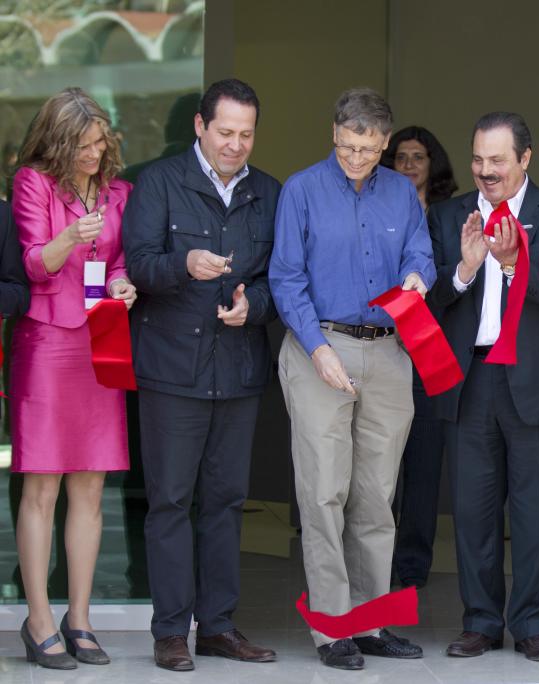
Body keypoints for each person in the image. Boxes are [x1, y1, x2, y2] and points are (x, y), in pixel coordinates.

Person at [269, 88, 435, 671]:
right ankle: (333, 627)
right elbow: (286, 279)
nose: (356, 158)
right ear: (333, 133)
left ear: (385, 142)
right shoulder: (302, 190)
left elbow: (422, 253)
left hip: (389, 352)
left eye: (367, 149)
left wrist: (417, 276)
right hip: (321, 347)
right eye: (346, 146)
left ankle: (369, 620)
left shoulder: (400, 192)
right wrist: (317, 349)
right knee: (323, 493)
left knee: (376, 496)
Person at [122, 78, 279, 671]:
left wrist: (253, 308)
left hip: (238, 371)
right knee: (169, 502)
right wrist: (183, 264)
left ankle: (217, 626)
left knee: (226, 502)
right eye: (225, 132)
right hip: (172, 370)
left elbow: (278, 281)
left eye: (246, 134)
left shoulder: (269, 192)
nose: (236, 145)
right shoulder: (159, 182)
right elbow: (138, 264)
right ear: (199, 126)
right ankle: (170, 632)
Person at [428, 111, 539, 662]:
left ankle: (534, 624)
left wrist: (516, 262)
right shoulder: (449, 216)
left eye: (498, 160)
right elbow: (428, 302)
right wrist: (465, 271)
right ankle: (480, 621)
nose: (485, 171)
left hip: (536, 379)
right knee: (472, 510)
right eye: (477, 159)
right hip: (470, 379)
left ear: (525, 158)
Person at [11, 87, 135, 670]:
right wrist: (69, 237)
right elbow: (35, 261)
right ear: (59, 142)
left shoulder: (119, 192)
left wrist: (120, 283)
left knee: (90, 487)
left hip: (100, 340)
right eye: (82, 145)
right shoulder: (33, 183)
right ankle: (37, 620)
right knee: (43, 487)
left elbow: (116, 260)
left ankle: (78, 617)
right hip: (47, 344)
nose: (93, 153)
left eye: (99, 142)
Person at [381, 125, 457, 588]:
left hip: (430, 353)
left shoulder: (451, 217)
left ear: (434, 165)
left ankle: (412, 567)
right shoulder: (380, 208)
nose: (409, 165)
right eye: (401, 157)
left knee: (424, 468)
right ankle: (375, 563)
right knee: (378, 464)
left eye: (418, 157)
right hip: (384, 348)